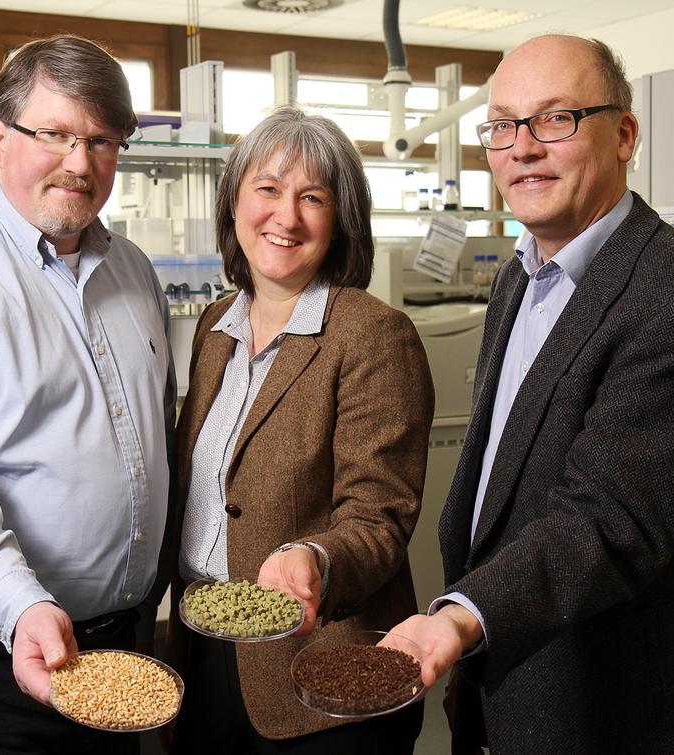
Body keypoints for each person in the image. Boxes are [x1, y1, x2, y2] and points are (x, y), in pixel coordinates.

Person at [386, 34, 674, 754]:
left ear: (624, 135)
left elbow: (609, 517)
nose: (521, 147)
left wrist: (461, 616)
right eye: (502, 125)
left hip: (599, 701)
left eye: (555, 119)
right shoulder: (518, 275)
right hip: (502, 681)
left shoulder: (672, 291)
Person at [0, 35, 176, 754]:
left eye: (103, 140)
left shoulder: (133, 270)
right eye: (56, 134)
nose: (81, 163)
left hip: (113, 652)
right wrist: (21, 605)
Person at [167, 105, 434, 753]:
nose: (285, 216)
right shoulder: (213, 328)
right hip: (207, 652)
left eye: (311, 197)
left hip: (323, 679)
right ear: (233, 201)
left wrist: (312, 557)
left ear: (338, 220)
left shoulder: (372, 335)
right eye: (267, 189)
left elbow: (380, 519)